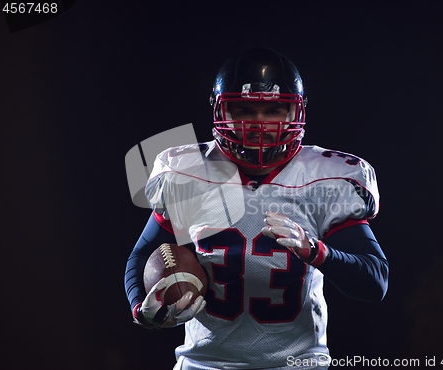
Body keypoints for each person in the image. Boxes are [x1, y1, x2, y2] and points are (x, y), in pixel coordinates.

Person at [124, 47, 389, 370]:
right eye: (243, 109)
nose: (258, 123)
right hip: (205, 364)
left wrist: (317, 253)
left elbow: (375, 280)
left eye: (274, 110)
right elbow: (143, 254)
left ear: (298, 113)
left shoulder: (325, 179)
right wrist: (140, 306)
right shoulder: (189, 172)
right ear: (220, 112)